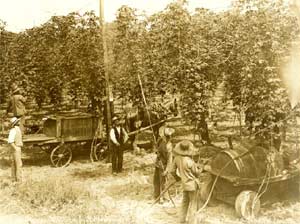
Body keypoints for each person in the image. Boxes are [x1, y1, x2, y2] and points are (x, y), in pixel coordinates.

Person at [170, 140, 202, 224]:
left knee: (184, 203)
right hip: (192, 186)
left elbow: (172, 171)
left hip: (184, 185)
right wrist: (201, 168)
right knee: (193, 204)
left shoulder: (176, 159)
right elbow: (197, 173)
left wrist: (178, 178)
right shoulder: (190, 162)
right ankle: (192, 222)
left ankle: (182, 220)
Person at [153, 127, 175, 203]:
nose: (170, 137)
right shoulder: (160, 140)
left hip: (164, 165)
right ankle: (157, 196)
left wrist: (167, 170)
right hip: (158, 164)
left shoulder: (169, 146)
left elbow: (170, 160)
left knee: (163, 182)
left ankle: (164, 198)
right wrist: (157, 151)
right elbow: (156, 148)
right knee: (156, 181)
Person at [7, 117, 23, 182]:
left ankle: (14, 179)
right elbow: (10, 141)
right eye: (18, 121)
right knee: (18, 164)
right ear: (16, 123)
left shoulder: (17, 129)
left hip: (17, 147)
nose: (19, 122)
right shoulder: (13, 130)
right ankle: (19, 180)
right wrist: (16, 148)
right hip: (16, 148)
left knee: (14, 164)